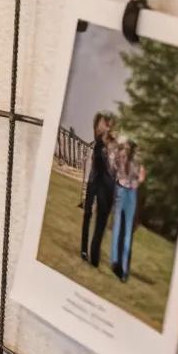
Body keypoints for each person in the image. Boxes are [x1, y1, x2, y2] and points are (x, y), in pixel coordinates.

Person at [80, 114, 117, 269]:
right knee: (88, 214)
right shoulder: (97, 144)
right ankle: (84, 250)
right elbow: (91, 166)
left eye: (106, 125)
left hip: (107, 187)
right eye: (102, 125)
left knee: (101, 222)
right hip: (94, 182)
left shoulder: (114, 145)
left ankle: (94, 257)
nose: (104, 127)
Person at [111, 140, 145, 281]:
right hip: (126, 192)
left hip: (127, 193)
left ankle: (120, 266)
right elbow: (140, 178)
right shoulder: (126, 160)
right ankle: (119, 266)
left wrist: (136, 180)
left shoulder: (130, 161)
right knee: (122, 230)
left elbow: (140, 177)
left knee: (122, 230)